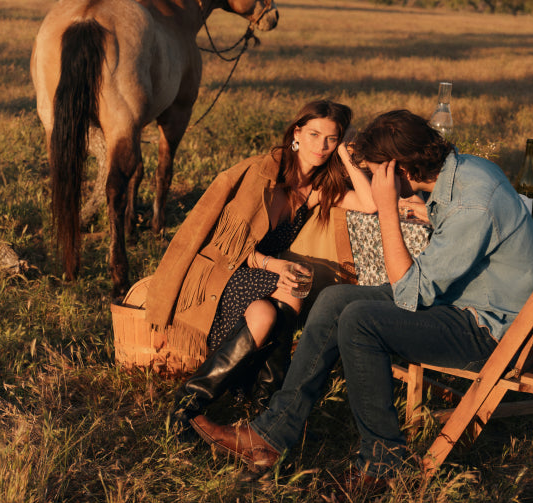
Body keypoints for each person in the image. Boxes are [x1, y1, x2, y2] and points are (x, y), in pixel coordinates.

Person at [191, 108, 533, 486]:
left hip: (490, 331)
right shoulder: (466, 169)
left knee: (361, 321)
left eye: (377, 171)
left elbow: (411, 290)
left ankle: (384, 461)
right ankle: (271, 435)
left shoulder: (470, 203)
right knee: (335, 300)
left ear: (401, 170)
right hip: (467, 302)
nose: (375, 179)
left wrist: (389, 209)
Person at [136, 98, 375, 432]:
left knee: (272, 308)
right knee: (289, 291)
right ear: (297, 133)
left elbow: (370, 202)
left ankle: (251, 405)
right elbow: (228, 247)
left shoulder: (317, 189)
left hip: (266, 278)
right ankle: (195, 408)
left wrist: (346, 158)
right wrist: (272, 265)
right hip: (227, 274)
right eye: (313, 134)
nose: (321, 146)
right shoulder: (263, 175)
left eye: (331, 139)